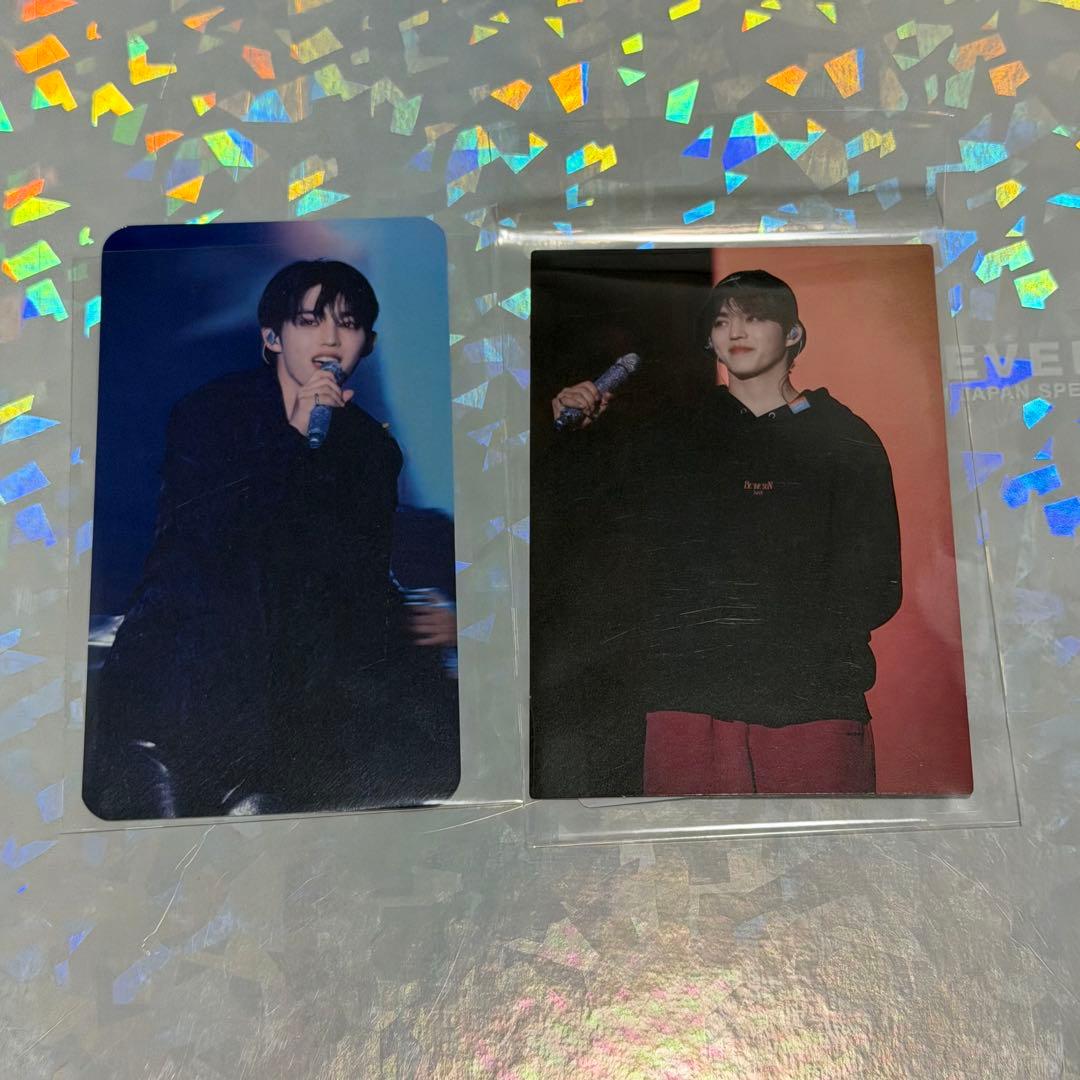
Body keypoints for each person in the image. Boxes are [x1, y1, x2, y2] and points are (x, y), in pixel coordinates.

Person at [84, 259, 459, 819]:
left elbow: (348, 575)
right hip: (194, 660)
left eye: (348, 324)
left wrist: (420, 616)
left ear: (368, 343)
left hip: (298, 677)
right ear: (272, 337)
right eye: (309, 321)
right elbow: (209, 543)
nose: (330, 338)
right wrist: (294, 436)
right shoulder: (210, 413)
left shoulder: (371, 451)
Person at [542, 269, 901, 796]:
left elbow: (877, 587)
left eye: (754, 316)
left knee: (822, 848)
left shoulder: (845, 438)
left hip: (810, 706)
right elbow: (595, 538)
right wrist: (578, 439)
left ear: (793, 333)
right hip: (688, 705)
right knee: (693, 851)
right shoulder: (671, 434)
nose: (736, 331)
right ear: (709, 340)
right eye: (721, 321)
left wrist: (786, 643)